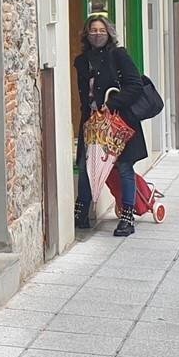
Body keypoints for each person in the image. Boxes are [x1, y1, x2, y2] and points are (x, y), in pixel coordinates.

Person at [75, 13, 153, 236]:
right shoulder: (82, 61)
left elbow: (135, 85)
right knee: (86, 166)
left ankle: (127, 218)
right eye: (93, 31)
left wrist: (111, 103)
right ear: (86, 34)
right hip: (93, 122)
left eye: (101, 31)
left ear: (109, 33)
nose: (97, 34)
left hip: (119, 121)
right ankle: (81, 213)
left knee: (125, 167)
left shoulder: (118, 55)